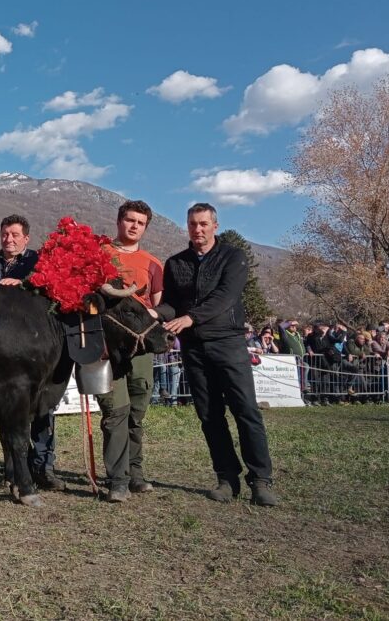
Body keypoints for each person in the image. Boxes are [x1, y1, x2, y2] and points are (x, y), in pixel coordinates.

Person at [159, 203, 277, 506]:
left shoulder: (233, 257)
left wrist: (190, 318)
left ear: (215, 225)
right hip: (194, 348)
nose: (197, 229)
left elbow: (226, 297)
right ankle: (226, 478)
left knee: (246, 411)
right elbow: (172, 304)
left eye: (202, 224)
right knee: (210, 415)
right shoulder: (175, 263)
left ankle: (260, 480)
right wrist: (151, 311)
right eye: (192, 224)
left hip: (228, 342)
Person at [0, 214, 63, 490]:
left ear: (26, 238)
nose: (9, 239)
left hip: (34, 347)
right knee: (8, 412)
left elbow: (49, 294)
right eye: (5, 234)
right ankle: (12, 467)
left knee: (41, 412)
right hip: (0, 349)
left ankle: (43, 468)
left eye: (15, 235)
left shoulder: (38, 262)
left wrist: (23, 285)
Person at [97, 200, 165, 501]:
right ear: (118, 221)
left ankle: (136, 473)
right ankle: (118, 480)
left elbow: (159, 305)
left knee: (137, 410)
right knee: (115, 411)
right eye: (129, 220)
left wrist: (156, 314)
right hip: (107, 348)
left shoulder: (153, 263)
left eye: (140, 222)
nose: (134, 225)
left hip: (141, 348)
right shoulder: (100, 255)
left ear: (145, 226)